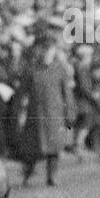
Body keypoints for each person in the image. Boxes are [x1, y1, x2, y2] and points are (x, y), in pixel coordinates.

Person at [16, 28, 74, 187]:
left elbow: (67, 94)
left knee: (54, 147)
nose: (47, 53)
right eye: (44, 50)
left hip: (54, 114)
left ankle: (52, 176)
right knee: (32, 148)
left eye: (50, 50)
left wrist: (70, 113)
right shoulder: (32, 70)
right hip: (36, 114)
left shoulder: (59, 69)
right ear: (39, 51)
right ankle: (27, 175)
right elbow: (22, 93)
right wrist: (19, 112)